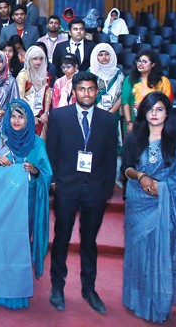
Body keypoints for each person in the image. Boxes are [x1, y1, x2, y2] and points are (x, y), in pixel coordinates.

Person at [120, 92, 176, 324]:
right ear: (144, 112)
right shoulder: (134, 138)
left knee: (161, 254)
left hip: (167, 208)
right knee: (139, 254)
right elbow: (126, 169)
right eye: (150, 109)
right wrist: (142, 176)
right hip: (138, 204)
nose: (154, 114)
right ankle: (137, 299)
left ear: (167, 113)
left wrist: (162, 187)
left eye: (160, 109)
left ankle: (159, 304)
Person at [46, 72, 118, 314]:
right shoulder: (59, 116)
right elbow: (51, 152)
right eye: (82, 89)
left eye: (91, 89)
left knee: (89, 242)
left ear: (97, 92)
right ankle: (57, 286)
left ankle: (89, 289)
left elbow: (110, 158)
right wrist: (55, 183)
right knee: (61, 239)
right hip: (66, 189)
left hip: (95, 192)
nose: (86, 93)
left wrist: (106, 189)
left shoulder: (109, 121)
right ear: (73, 92)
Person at [0, 99, 52, 310]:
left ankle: (16, 291)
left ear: (28, 120)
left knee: (19, 245)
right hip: (1, 204)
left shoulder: (37, 143)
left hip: (26, 204)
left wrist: (34, 170)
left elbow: (47, 174)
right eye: (13, 116)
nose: (16, 121)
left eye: (21, 116)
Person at [121, 49, 172, 134]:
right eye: (138, 61)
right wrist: (129, 122)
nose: (140, 64)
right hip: (133, 121)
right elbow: (125, 101)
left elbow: (167, 103)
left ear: (153, 64)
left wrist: (144, 106)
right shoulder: (130, 79)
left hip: (155, 122)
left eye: (144, 61)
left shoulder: (163, 81)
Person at [15, 45, 51, 136]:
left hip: (42, 117)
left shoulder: (45, 75)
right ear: (29, 59)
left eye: (41, 59)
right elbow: (19, 99)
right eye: (35, 59)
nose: (38, 62)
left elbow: (47, 95)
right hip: (25, 117)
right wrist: (30, 117)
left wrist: (46, 112)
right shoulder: (23, 75)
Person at [90, 43, 124, 118]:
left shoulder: (119, 74)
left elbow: (121, 96)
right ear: (96, 56)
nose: (104, 57)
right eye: (100, 55)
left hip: (113, 113)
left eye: (107, 54)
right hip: (94, 114)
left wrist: (111, 112)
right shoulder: (90, 73)